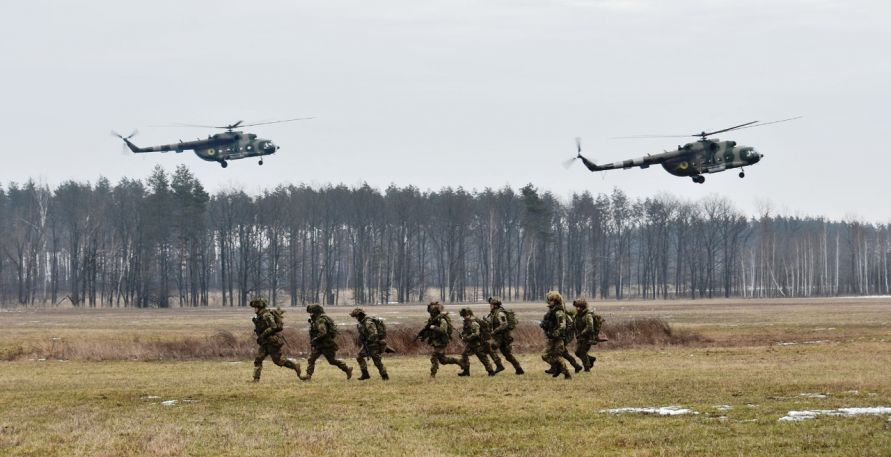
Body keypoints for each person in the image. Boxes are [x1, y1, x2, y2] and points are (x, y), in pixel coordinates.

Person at [249, 297, 302, 382]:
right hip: (264, 342)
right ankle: (256, 379)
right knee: (258, 359)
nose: (254, 309)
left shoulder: (267, 315)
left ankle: (294, 365)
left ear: (259, 308)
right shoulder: (259, 316)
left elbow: (274, 327)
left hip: (271, 341)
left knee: (277, 360)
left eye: (255, 308)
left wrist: (263, 334)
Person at [300, 304, 353, 381]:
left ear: (316, 312)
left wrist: (315, 339)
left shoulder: (320, 320)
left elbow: (323, 333)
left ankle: (347, 369)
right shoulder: (316, 320)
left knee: (332, 361)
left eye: (311, 313)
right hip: (319, 345)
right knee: (311, 359)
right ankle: (308, 376)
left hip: (326, 344)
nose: (310, 314)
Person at [417, 301, 466, 378]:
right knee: (443, 360)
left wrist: (434, 327)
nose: (430, 312)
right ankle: (460, 362)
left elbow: (443, 330)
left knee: (434, 357)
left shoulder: (441, 319)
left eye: (431, 311)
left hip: (441, 342)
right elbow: (429, 330)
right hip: (436, 341)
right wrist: (423, 336)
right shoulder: (432, 319)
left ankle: (432, 375)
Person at [350, 307, 389, 381]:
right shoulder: (363, 322)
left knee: (377, 361)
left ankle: (385, 376)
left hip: (374, 344)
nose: (356, 318)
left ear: (359, 315)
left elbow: (374, 334)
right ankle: (365, 374)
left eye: (356, 316)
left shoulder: (368, 322)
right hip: (369, 344)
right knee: (359, 356)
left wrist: (368, 340)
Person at [487, 297, 524, 375]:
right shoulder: (493, 313)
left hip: (501, 336)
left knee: (491, 348)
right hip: (501, 337)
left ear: (495, 305)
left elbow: (504, 324)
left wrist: (495, 331)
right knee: (507, 354)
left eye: (491, 304)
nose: (490, 306)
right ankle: (519, 369)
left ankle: (499, 365)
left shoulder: (500, 313)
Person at [540, 291, 571, 379]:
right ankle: (557, 368)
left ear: (556, 301)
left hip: (558, 338)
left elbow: (562, 326)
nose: (549, 302)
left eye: (551, 300)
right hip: (551, 337)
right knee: (544, 355)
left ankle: (567, 373)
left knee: (557, 356)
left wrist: (555, 333)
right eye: (549, 300)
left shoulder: (559, 312)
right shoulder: (551, 311)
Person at [457, 308, 496, 377]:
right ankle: (466, 371)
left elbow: (476, 334)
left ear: (469, 315)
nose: (464, 317)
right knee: (464, 355)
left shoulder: (474, 323)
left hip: (477, 344)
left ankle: (491, 371)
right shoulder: (466, 323)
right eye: (463, 316)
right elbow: (466, 332)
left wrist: (467, 338)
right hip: (470, 344)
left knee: (483, 358)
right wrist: (462, 335)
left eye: (466, 316)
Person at [572, 299, 597, 371]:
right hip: (580, 337)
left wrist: (582, 333)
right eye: (577, 307)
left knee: (582, 352)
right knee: (577, 352)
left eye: (580, 307)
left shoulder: (588, 315)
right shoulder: (577, 315)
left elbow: (590, 326)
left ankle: (587, 368)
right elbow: (575, 325)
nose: (578, 308)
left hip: (588, 337)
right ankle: (591, 359)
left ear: (583, 307)